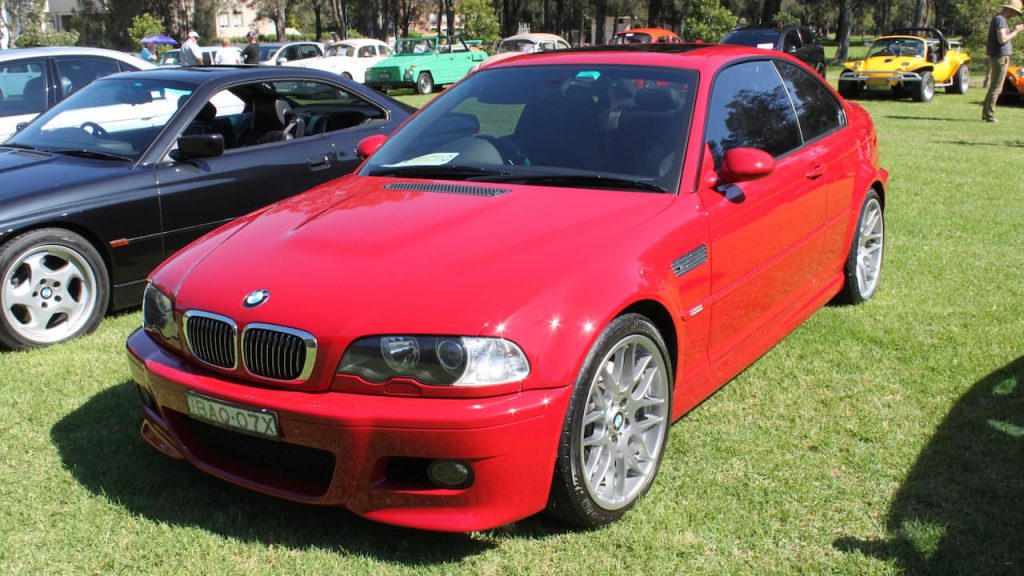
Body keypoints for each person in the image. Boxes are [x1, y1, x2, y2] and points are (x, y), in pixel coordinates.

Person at [982, 0, 1024, 122]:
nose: (1015, 15)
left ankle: (986, 114)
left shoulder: (999, 18)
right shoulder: (1000, 20)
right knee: (996, 88)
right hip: (1000, 57)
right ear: (1011, 10)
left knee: (994, 87)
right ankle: (990, 115)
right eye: (1015, 13)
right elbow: (1002, 39)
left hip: (998, 56)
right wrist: (1016, 31)